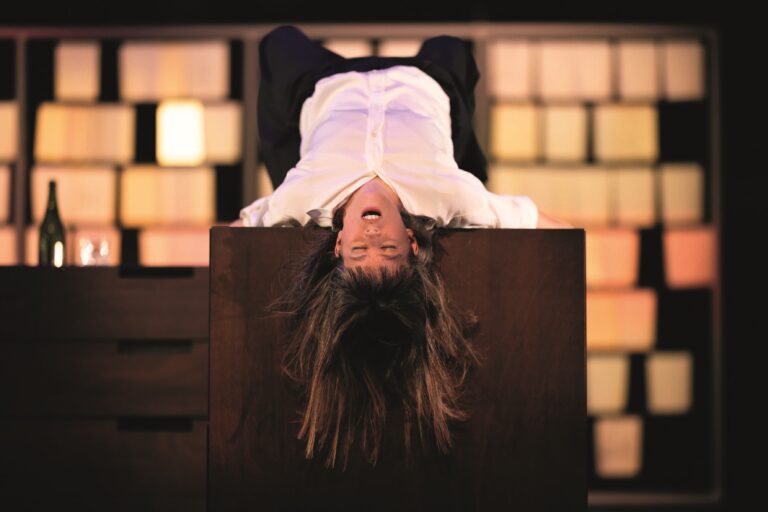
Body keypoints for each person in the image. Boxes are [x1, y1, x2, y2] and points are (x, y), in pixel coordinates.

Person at [234, 25, 571, 470]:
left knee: (277, 44)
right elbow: (551, 229)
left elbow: (232, 232)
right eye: (389, 251)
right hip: (423, 80)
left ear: (337, 244)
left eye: (359, 253)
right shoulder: (453, 198)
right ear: (411, 241)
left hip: (327, 85)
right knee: (453, 48)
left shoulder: (300, 202)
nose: (371, 240)